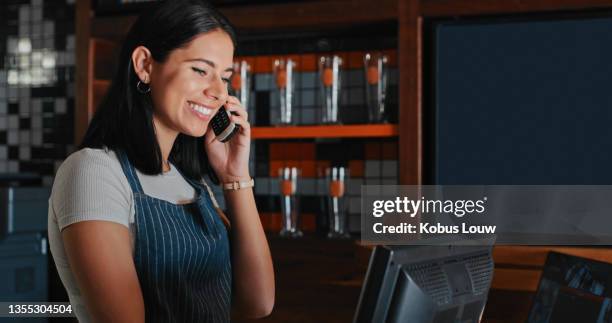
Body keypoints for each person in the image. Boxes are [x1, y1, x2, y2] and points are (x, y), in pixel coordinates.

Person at [47, 1, 274, 322]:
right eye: (200, 70)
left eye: (225, 77)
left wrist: (235, 177)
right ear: (144, 65)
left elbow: (258, 303)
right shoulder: (93, 172)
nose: (219, 92)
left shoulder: (190, 183)